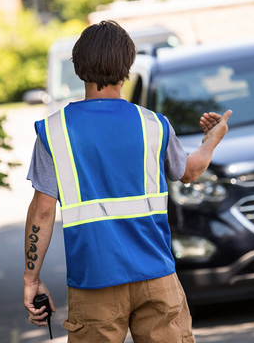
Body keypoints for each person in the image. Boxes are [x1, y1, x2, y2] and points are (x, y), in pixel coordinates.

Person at [24, 20, 232, 343]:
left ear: (79, 68)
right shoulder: (154, 125)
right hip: (157, 278)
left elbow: (42, 210)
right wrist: (212, 140)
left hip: (94, 282)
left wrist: (31, 278)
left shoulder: (55, 132)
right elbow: (189, 171)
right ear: (127, 69)